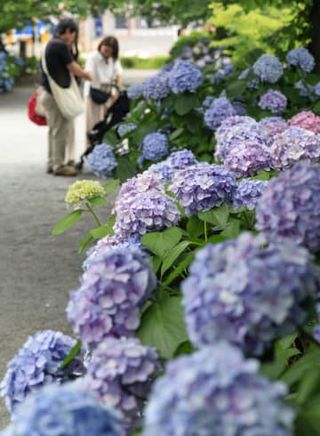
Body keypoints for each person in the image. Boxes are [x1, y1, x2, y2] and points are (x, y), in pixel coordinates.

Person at [40, 18, 92, 176]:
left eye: (72, 32)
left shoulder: (52, 44)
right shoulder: (59, 45)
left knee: (54, 130)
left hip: (49, 94)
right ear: (67, 32)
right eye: (69, 32)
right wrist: (87, 75)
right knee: (60, 130)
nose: (70, 35)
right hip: (56, 97)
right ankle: (59, 165)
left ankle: (52, 162)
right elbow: (72, 67)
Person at [83, 36, 123, 148]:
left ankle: (104, 148)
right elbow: (89, 72)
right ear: (101, 46)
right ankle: (90, 148)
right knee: (92, 124)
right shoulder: (92, 57)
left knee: (106, 123)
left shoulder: (113, 60)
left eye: (110, 50)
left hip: (108, 95)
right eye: (105, 48)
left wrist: (116, 89)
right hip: (93, 93)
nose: (106, 52)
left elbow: (118, 74)